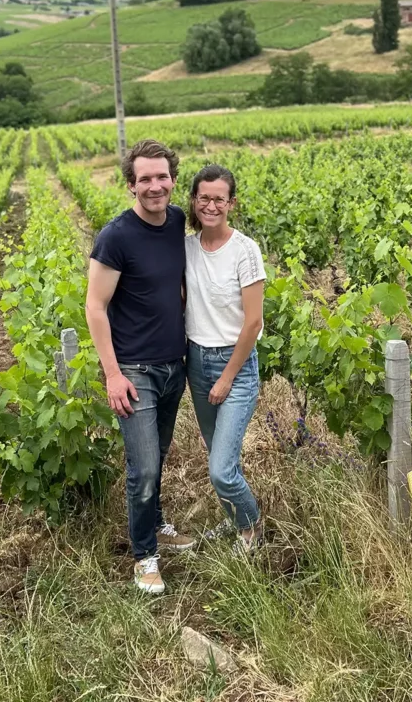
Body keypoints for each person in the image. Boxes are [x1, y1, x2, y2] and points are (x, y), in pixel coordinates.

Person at [85, 139, 195, 594]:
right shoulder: (115, 237)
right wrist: (112, 373)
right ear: (131, 185)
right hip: (133, 371)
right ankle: (144, 556)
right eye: (145, 178)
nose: (155, 186)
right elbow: (95, 307)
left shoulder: (176, 222)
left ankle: (158, 524)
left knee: (159, 456)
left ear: (172, 180)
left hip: (174, 365)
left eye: (162, 176)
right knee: (143, 466)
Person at [185, 164, 265, 554]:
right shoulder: (186, 247)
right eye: (204, 197)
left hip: (235, 366)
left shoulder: (245, 250)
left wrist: (227, 377)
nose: (211, 205)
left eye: (219, 198)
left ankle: (251, 528)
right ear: (194, 201)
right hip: (196, 362)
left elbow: (253, 323)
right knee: (218, 453)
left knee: (220, 470)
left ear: (231, 202)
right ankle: (235, 520)